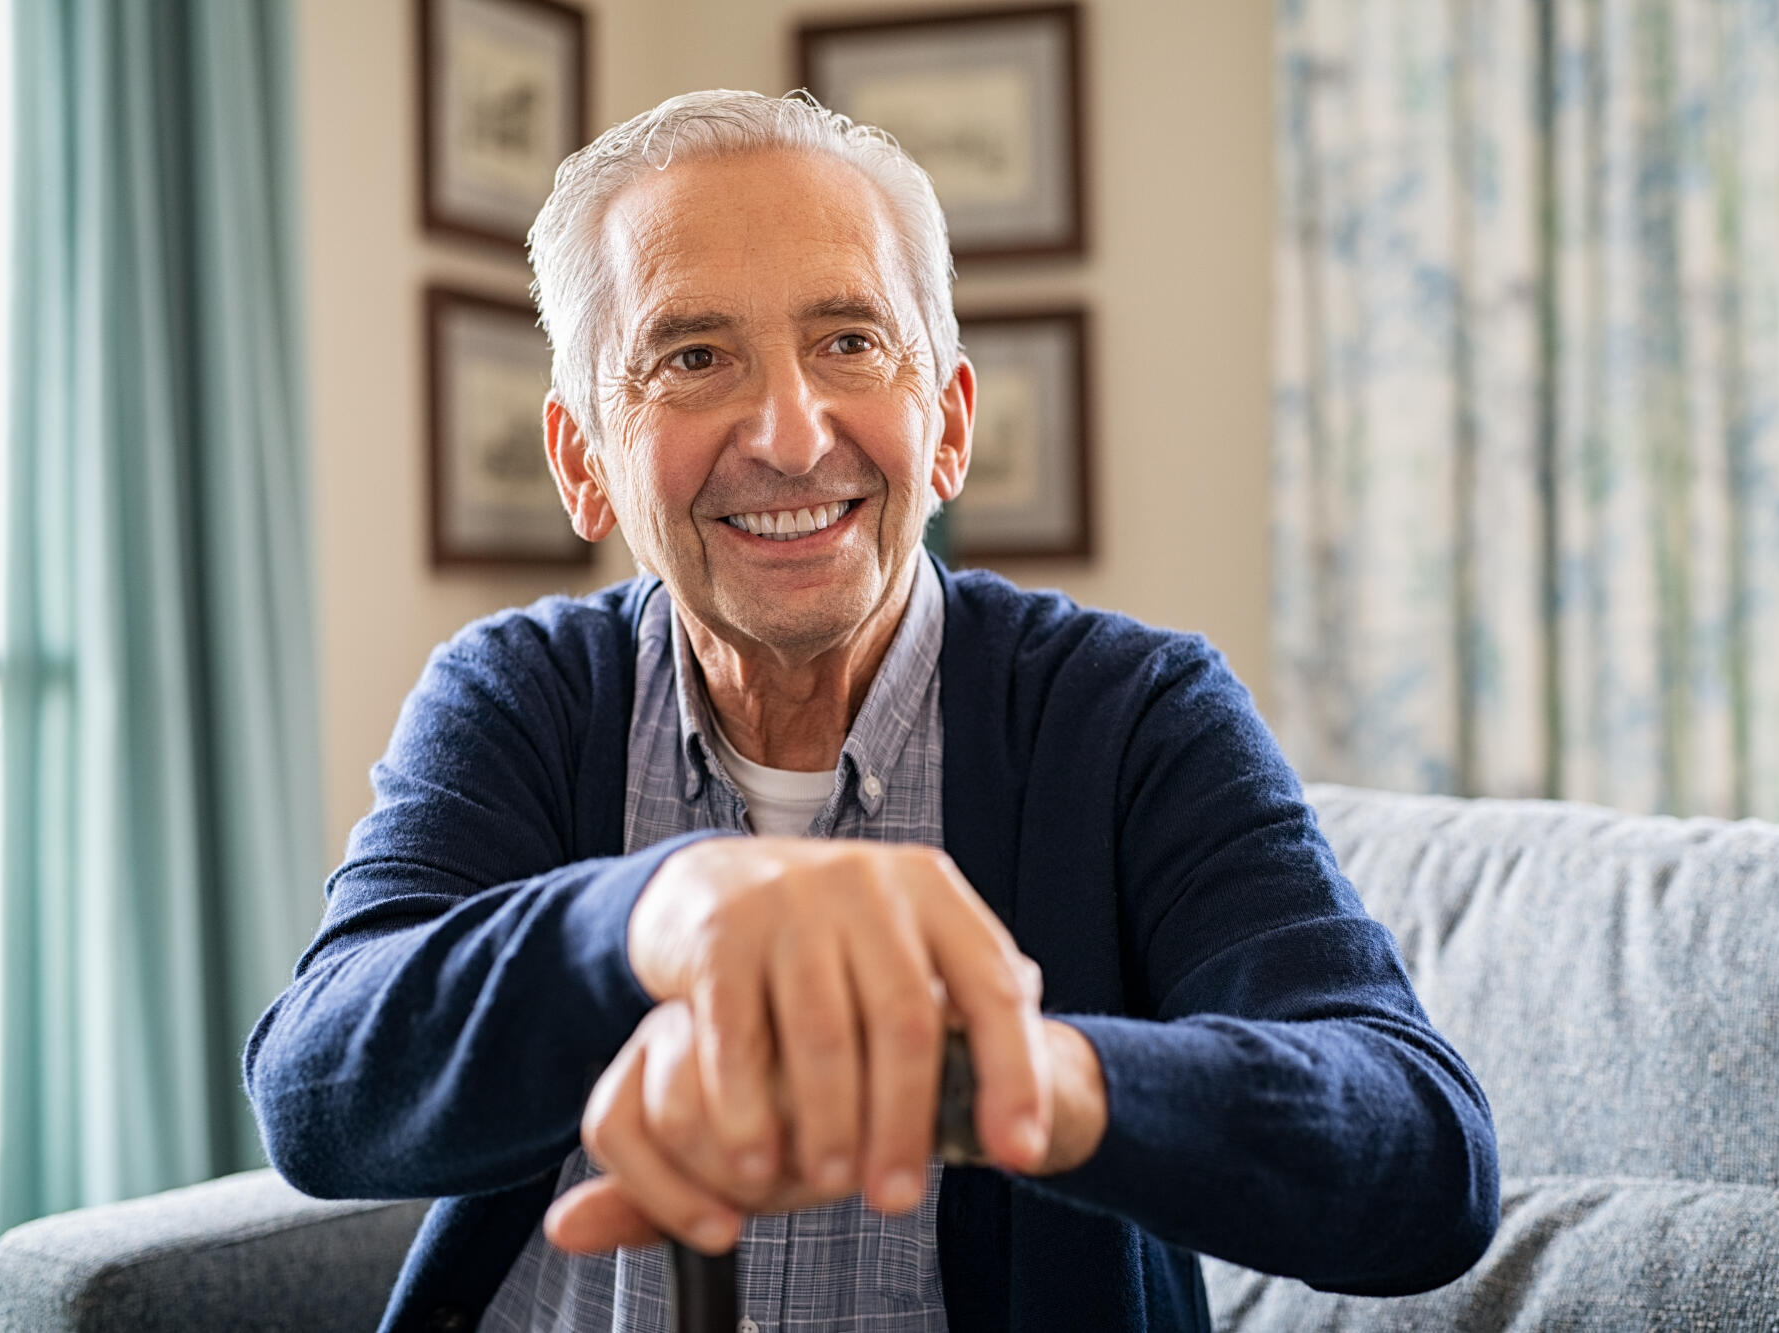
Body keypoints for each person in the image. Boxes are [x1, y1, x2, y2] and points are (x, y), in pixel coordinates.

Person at [244, 90, 1499, 1333]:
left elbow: (1421, 1156)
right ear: (583, 461)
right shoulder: (516, 692)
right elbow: (316, 1091)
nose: (790, 438)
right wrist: (654, 911)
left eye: (849, 341)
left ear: (946, 425)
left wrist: (998, 1079)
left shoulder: (1132, 715)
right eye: (693, 358)